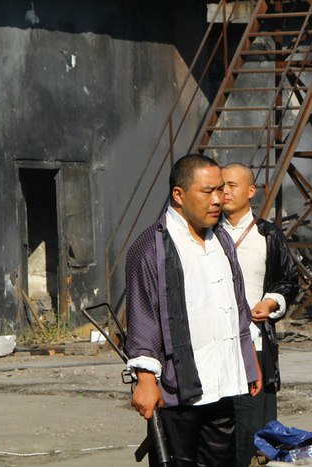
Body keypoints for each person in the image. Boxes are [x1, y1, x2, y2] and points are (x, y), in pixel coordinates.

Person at [125, 154, 262, 466]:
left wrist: (248, 357)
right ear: (179, 194)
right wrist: (145, 379)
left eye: (220, 190)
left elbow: (236, 304)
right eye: (207, 191)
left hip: (223, 386)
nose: (218, 200)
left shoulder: (221, 240)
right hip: (180, 393)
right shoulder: (151, 248)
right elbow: (143, 317)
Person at [220, 163, 299, 467]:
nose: (225, 192)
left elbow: (288, 281)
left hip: (255, 343)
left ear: (251, 191)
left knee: (254, 426)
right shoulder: (207, 234)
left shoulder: (267, 235)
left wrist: (270, 303)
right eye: (220, 186)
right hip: (216, 344)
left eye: (232, 185)